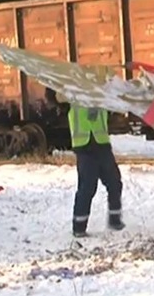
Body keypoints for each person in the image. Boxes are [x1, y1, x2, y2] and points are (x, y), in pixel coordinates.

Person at [45, 88, 125, 237]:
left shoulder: (101, 94)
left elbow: (118, 101)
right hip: (85, 149)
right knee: (87, 188)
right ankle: (79, 227)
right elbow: (52, 96)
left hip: (102, 145)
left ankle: (115, 220)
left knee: (115, 183)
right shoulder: (72, 96)